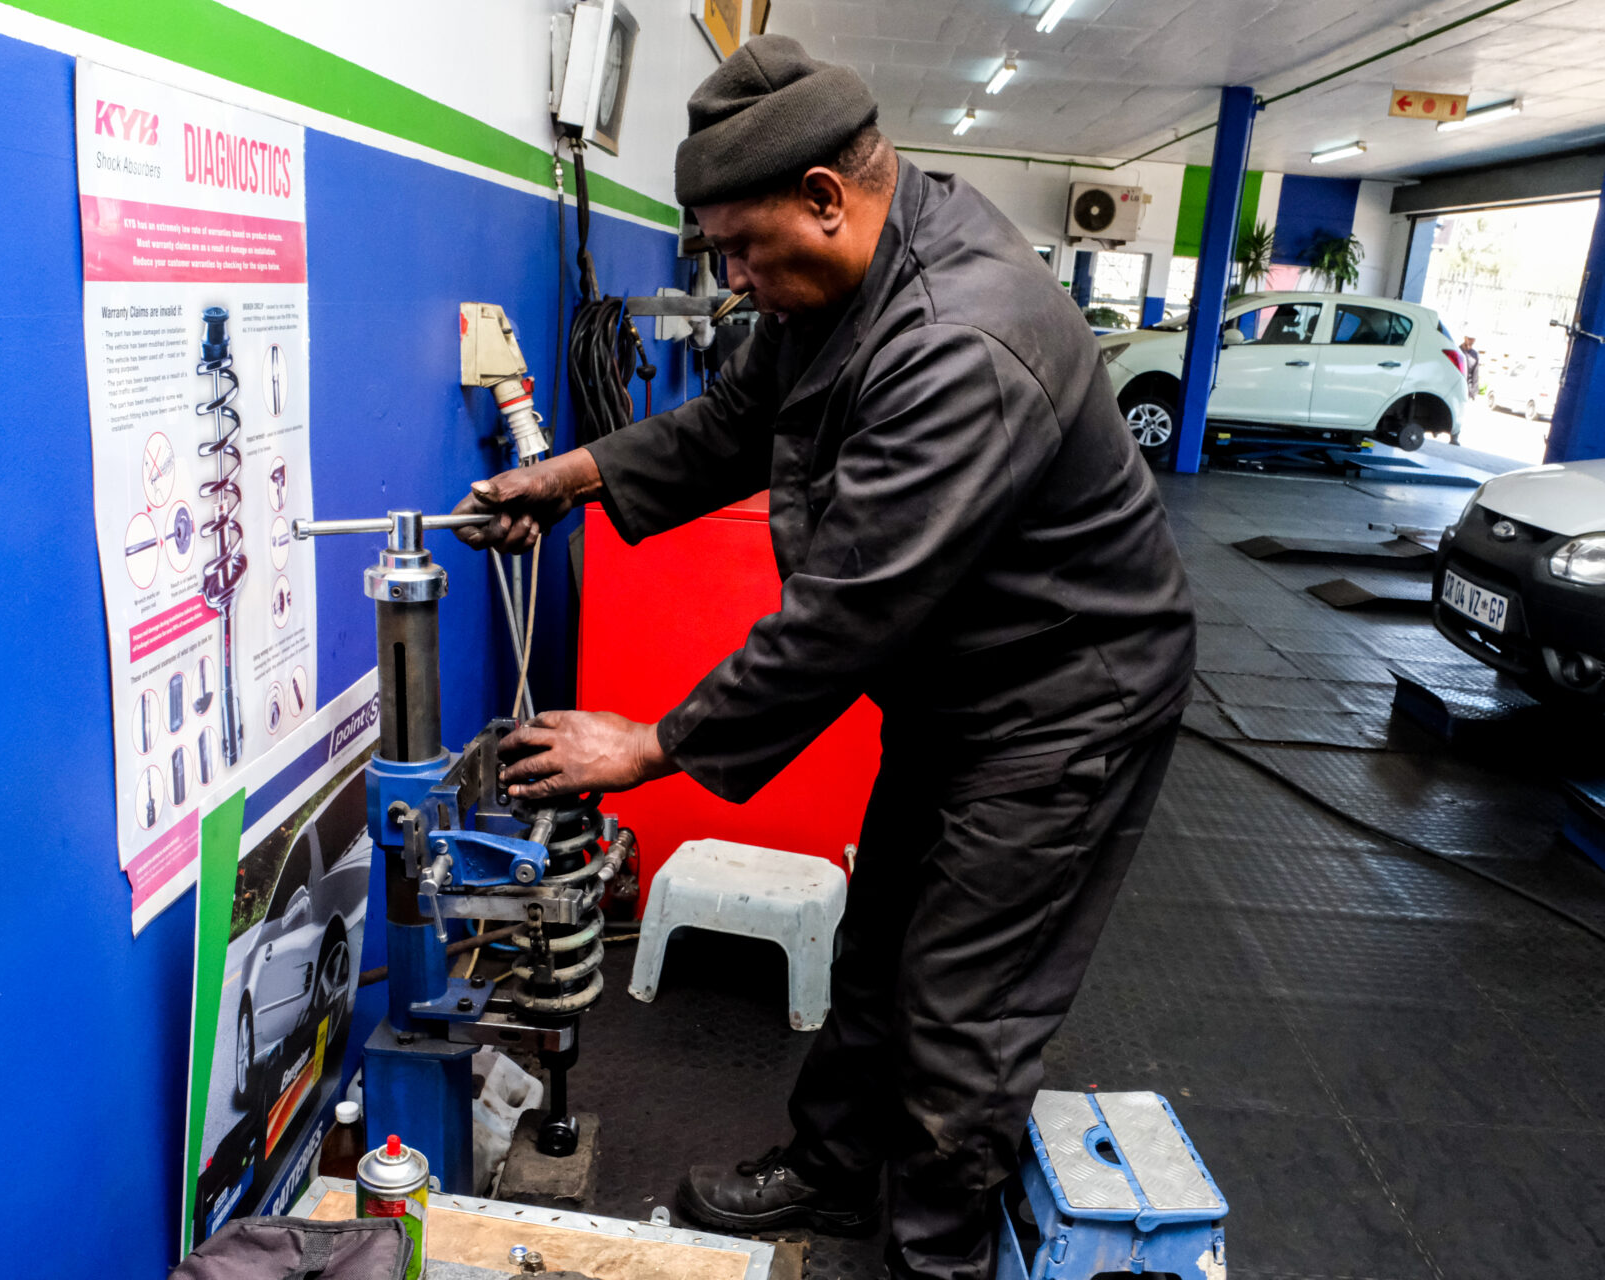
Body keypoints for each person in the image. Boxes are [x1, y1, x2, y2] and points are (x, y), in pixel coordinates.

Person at [454, 37, 1195, 1280]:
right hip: (964, 671)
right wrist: (572, 478)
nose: (735, 282)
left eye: (743, 250)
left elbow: (850, 604)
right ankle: (836, 1168)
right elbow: (739, 420)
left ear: (824, 198)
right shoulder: (849, 269)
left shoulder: (966, 341)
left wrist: (651, 743)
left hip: (1069, 693)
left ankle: (931, 1259)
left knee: (967, 1002)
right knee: (885, 928)